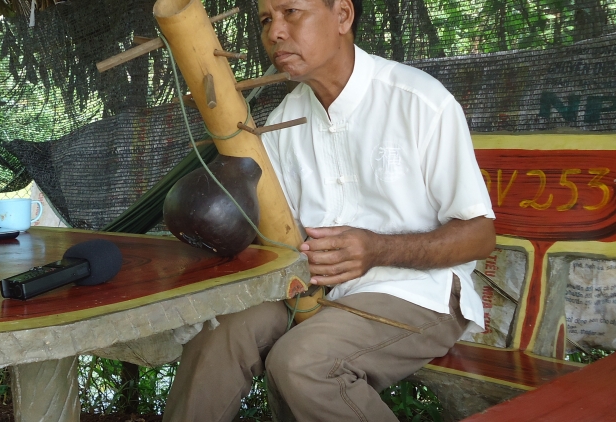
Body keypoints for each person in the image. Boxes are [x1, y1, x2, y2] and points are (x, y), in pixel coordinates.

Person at [163, 0, 496, 420]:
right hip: (314, 287)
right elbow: (272, 234)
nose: (275, 32)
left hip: (417, 290)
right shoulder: (284, 121)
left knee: (303, 363)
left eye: (291, 13)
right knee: (217, 338)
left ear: (342, 15)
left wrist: (377, 250)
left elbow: (480, 234)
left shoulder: (419, 101)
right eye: (266, 20)